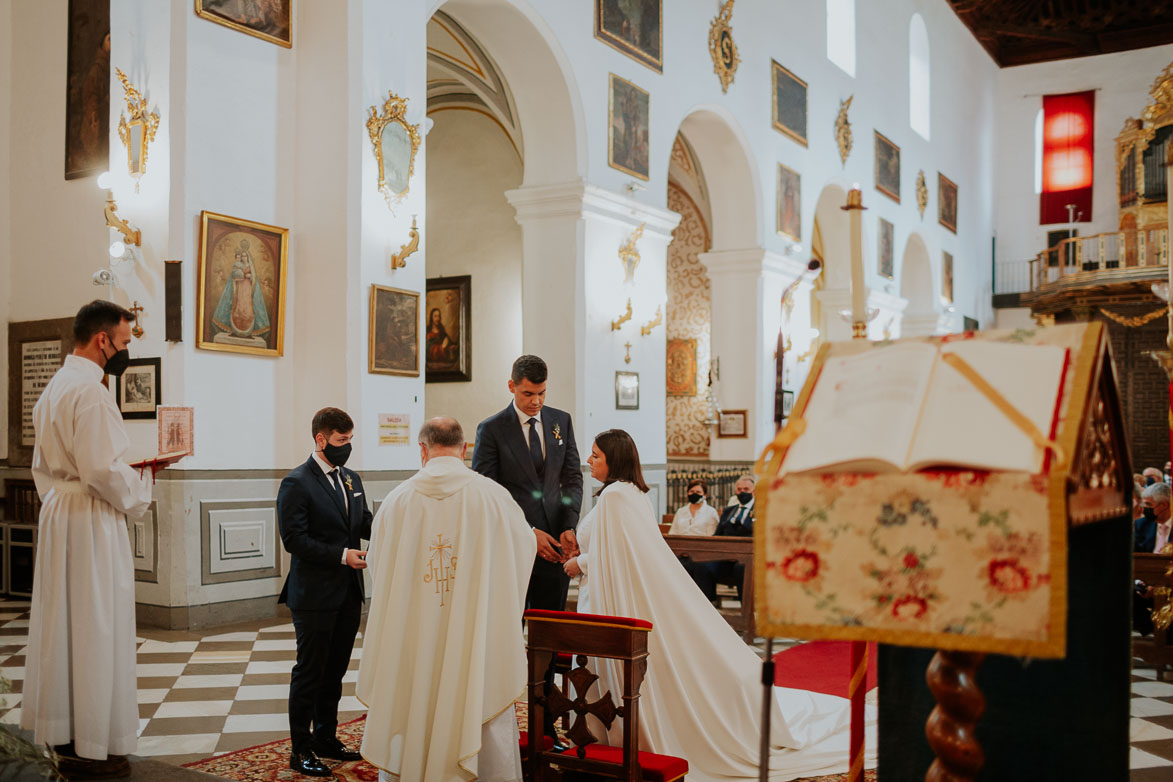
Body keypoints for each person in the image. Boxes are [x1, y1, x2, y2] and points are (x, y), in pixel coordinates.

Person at [562, 430, 876, 781]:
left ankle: (610, 737)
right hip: (609, 590)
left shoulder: (616, 497)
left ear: (614, 460)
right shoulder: (630, 493)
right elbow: (622, 547)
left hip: (610, 594)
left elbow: (617, 554)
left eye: (596, 455)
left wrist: (582, 563)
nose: (589, 460)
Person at [358, 417, 535, 782]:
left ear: (422, 450)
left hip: (416, 634)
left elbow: (378, 565)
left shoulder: (397, 501)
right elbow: (523, 552)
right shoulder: (494, 497)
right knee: (478, 694)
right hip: (475, 634)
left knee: (416, 690)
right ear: (464, 448)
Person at [22, 300, 154, 780]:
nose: (124, 350)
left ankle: (61, 728)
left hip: (60, 512)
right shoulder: (93, 392)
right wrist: (140, 484)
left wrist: (67, 498)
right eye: (124, 341)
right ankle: (93, 739)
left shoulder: (55, 387)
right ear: (102, 339)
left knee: (63, 622)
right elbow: (100, 469)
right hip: (92, 516)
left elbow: (44, 468)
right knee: (97, 623)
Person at [472, 354, 582, 749]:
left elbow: (571, 476)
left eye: (541, 393)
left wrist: (569, 524)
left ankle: (545, 723)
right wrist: (527, 531)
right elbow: (487, 491)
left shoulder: (560, 421)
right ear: (511, 386)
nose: (536, 401)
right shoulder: (492, 429)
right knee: (505, 635)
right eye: (528, 393)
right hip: (512, 550)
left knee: (548, 637)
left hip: (554, 548)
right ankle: (495, 723)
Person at [276, 407, 374, 777]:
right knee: (310, 671)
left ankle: (326, 738)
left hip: (348, 592)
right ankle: (300, 748)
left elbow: (363, 521)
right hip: (314, 594)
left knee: (334, 672)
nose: (347, 447)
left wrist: (396, 526)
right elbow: (294, 540)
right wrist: (341, 555)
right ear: (321, 439)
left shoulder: (351, 479)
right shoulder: (297, 482)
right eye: (340, 441)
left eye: (350, 440)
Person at [689, 474, 757, 602]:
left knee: (742, 568)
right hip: (725, 557)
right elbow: (718, 535)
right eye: (739, 489)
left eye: (746, 489)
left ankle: (746, 610)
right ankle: (707, 606)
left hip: (747, 557)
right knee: (701, 565)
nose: (742, 492)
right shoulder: (729, 511)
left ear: (754, 491)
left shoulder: (761, 510)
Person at [1133, 482, 1171, 636]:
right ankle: (1150, 631)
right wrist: (1139, 581)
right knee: (1123, 591)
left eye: (1148, 504)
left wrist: (1158, 585)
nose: (1143, 509)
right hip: (1144, 584)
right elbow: (1135, 557)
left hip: (1170, 585)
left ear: (1163, 505)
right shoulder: (1141, 525)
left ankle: (1166, 636)